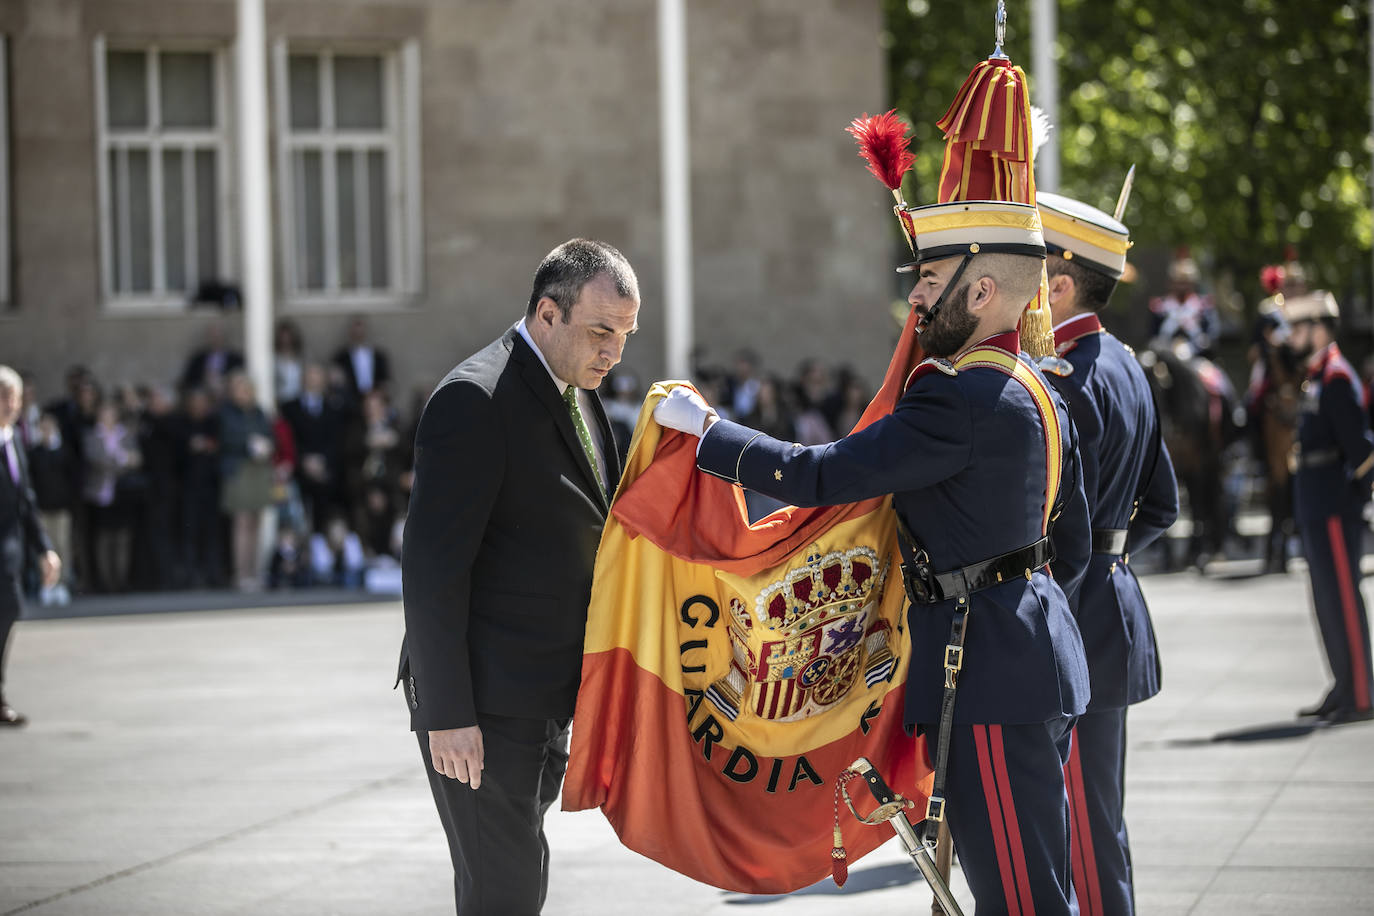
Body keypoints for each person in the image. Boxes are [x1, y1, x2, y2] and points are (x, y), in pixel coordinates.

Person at [398, 238, 638, 914]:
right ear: (547, 314)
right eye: (600, 331)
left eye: (623, 335)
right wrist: (448, 714)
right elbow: (432, 568)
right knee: (503, 893)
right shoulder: (475, 399)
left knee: (515, 880)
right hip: (481, 706)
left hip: (536, 700)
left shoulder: (576, 392)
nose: (613, 352)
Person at [1038, 190, 1181, 914]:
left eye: (1032, 274)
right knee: (1098, 816)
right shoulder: (1127, 364)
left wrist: (1082, 567)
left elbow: (1060, 528)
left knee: (1080, 825)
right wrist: (1114, 558)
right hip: (1113, 602)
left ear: (1061, 285)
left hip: (1075, 612)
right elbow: (1165, 506)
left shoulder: (1067, 378)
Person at [1284, 291, 1374, 724]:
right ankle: (1343, 685)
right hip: (1315, 504)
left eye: (1299, 328)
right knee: (1325, 600)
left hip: (1335, 506)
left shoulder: (1336, 377)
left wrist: (1356, 498)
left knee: (1342, 597)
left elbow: (1361, 451)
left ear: (1319, 328)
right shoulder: (1316, 376)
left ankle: (1361, 694)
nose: (1292, 337)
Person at [0, 366, 61, 726]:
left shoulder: (13, 441)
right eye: (4, 398)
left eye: (15, 398)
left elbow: (26, 501)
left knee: (9, 611)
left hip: (8, 552)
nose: (11, 405)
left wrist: (45, 549)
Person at [218, 372, 276, 591]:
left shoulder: (259, 412)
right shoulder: (226, 413)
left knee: (256, 521)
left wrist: (266, 444)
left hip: (258, 470)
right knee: (242, 522)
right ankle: (241, 573)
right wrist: (249, 444)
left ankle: (254, 570)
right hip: (239, 470)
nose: (244, 394)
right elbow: (228, 438)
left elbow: (270, 433)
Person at [333, 316, 392, 406]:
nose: (358, 335)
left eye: (361, 332)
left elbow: (385, 379)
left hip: (375, 398)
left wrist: (377, 392)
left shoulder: (379, 356)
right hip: (350, 401)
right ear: (350, 333)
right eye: (356, 333)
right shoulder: (341, 357)